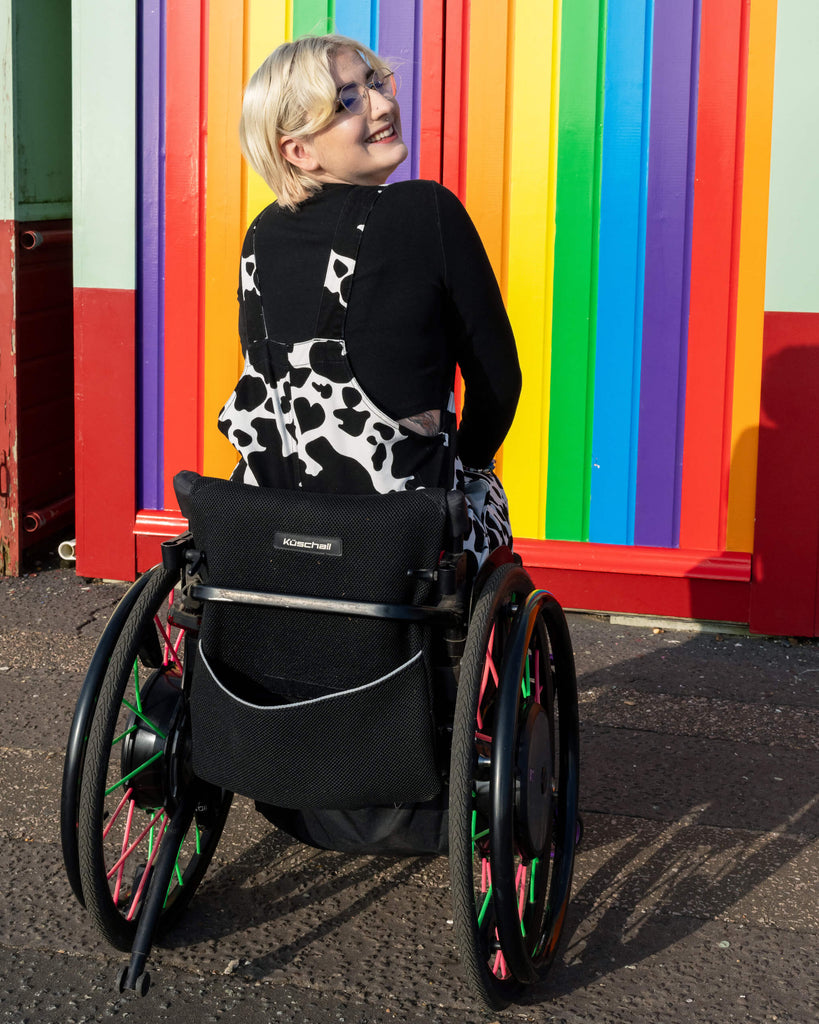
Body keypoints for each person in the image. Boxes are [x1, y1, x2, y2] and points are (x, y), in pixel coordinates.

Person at [218, 33, 521, 566]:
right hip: (404, 546)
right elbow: (499, 383)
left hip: (275, 541)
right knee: (482, 494)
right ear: (298, 150)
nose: (383, 104)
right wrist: (472, 464)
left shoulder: (260, 235)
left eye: (376, 82)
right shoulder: (426, 210)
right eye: (348, 100)